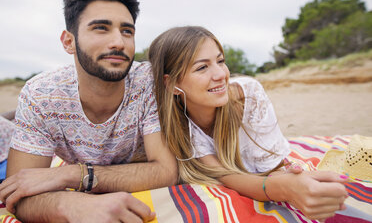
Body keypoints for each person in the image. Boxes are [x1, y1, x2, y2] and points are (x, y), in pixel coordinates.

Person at [0, 0, 177, 222]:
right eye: (101, 28)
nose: (119, 42)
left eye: (127, 31)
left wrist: (72, 175)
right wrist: (71, 205)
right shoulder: (41, 95)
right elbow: (16, 191)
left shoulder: (149, 82)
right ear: (68, 42)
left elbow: (166, 171)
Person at [148, 26, 349, 221]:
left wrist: (289, 180)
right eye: (202, 67)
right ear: (172, 84)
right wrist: (284, 187)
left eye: (220, 61)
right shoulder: (177, 123)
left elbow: (272, 167)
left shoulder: (248, 97)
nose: (220, 75)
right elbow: (226, 176)